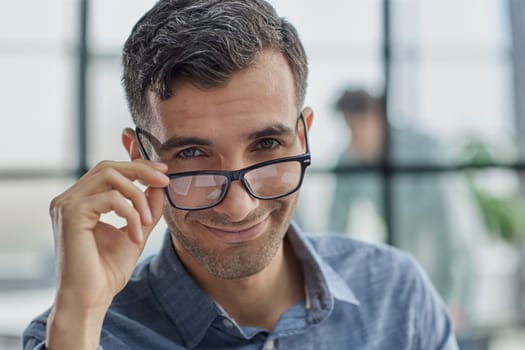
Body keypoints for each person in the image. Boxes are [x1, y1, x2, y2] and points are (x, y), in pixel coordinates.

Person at [23, 1, 458, 349]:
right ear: (140, 156)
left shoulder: (398, 296)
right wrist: (80, 314)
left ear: (303, 138)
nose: (239, 206)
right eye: (193, 154)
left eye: (267, 145)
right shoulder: (75, 334)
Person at [329, 88, 478, 343]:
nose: (353, 138)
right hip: (404, 274)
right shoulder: (351, 160)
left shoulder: (424, 152)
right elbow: (335, 226)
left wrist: (457, 300)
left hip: (449, 276)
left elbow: (458, 231)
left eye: (358, 126)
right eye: (348, 127)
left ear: (378, 119)